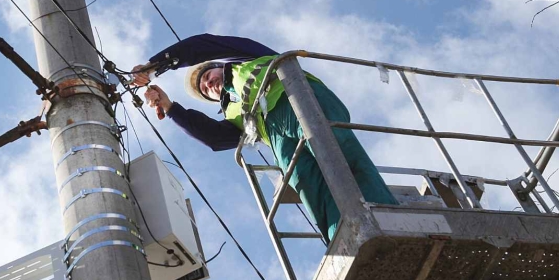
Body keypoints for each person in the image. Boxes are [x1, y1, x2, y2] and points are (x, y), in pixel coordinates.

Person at [131, 33, 396, 242]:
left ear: (219, 66)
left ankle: (387, 221)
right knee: (308, 185)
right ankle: (345, 239)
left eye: (208, 76)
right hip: (276, 136)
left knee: (340, 156)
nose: (208, 84)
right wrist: (169, 106)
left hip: (296, 98)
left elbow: (204, 44)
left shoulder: (247, 58)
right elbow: (213, 138)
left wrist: (155, 67)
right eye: (204, 89)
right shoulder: (234, 111)